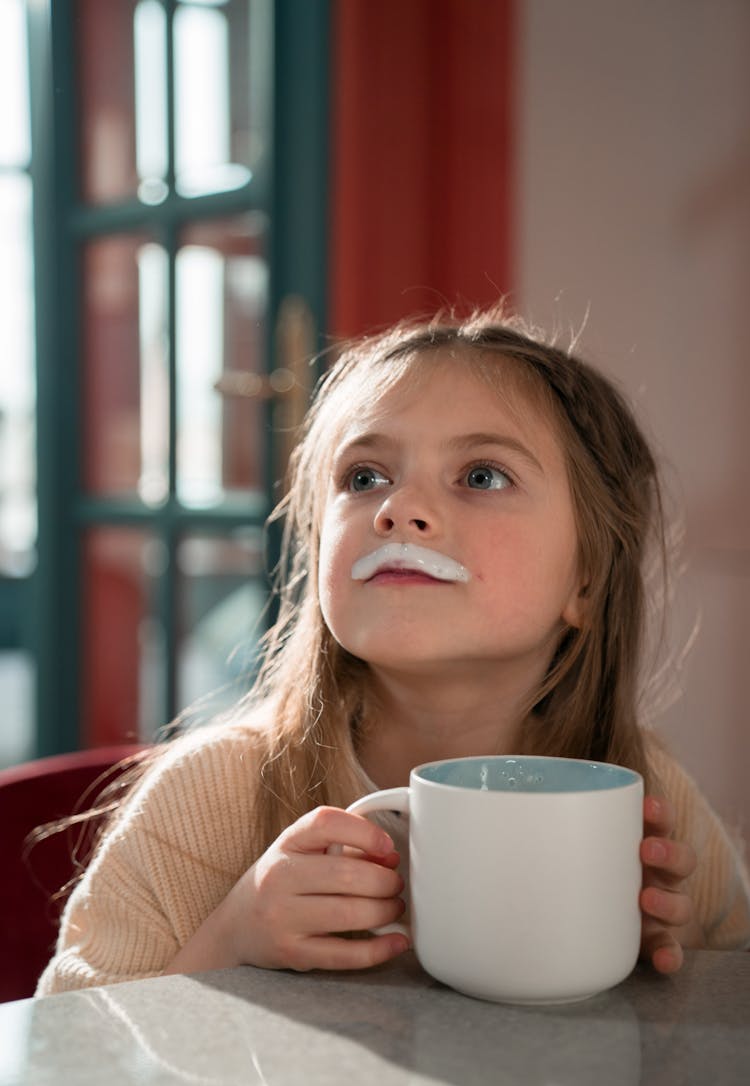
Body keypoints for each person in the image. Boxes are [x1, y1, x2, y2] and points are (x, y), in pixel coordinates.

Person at [37, 307, 750, 995]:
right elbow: (62, 1069)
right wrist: (228, 943)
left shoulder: (647, 796)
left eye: (481, 476)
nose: (396, 509)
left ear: (587, 580)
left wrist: (675, 965)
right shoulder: (210, 798)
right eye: (363, 477)